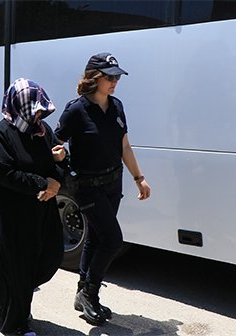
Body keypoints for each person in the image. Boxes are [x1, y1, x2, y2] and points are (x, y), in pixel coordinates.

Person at [55, 52, 151, 325]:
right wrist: (59, 155)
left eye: (117, 77)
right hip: (88, 187)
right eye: (109, 77)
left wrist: (139, 178)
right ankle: (90, 294)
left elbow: (124, 146)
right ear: (94, 78)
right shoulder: (76, 110)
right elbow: (55, 142)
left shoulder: (117, 106)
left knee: (97, 239)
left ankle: (81, 292)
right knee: (113, 241)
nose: (114, 82)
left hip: (113, 184)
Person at [0, 78, 65, 335]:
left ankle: (4, 303)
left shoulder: (42, 130)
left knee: (47, 256)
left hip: (38, 208)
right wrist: (43, 182)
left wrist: (57, 177)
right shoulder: (2, 133)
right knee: (17, 266)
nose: (40, 113)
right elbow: (2, 172)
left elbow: (56, 159)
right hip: (8, 209)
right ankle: (16, 322)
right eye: (35, 108)